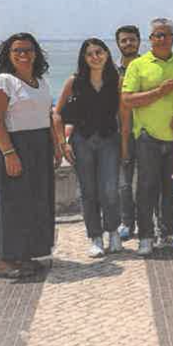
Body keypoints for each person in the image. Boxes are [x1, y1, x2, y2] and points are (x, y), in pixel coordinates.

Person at [121, 18, 173, 255]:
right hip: (147, 137)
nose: (162, 39)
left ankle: (166, 233)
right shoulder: (138, 65)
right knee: (146, 188)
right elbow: (127, 99)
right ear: (151, 39)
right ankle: (145, 236)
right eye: (158, 35)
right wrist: (159, 92)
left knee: (170, 189)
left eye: (166, 35)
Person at [0, 33, 58, 279]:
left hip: (39, 147)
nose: (23, 54)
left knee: (34, 203)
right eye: (17, 50)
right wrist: (9, 153)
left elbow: (47, 116)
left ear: (36, 53)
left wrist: (56, 146)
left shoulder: (40, 82)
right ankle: (5, 262)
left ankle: (24, 255)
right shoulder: (3, 82)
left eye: (28, 50)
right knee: (10, 204)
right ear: (8, 54)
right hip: (11, 146)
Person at [53, 39, 122, 257]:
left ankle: (113, 232)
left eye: (99, 52)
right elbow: (57, 114)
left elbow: (123, 114)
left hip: (109, 140)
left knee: (110, 190)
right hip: (82, 141)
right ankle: (96, 237)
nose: (95, 57)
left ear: (107, 54)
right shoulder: (74, 81)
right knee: (88, 191)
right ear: (84, 58)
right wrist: (63, 144)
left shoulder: (116, 80)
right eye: (90, 54)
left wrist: (126, 143)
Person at [114, 24, 141, 241]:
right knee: (123, 183)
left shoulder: (147, 67)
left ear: (139, 41)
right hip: (119, 132)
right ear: (118, 44)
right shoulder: (111, 72)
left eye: (132, 39)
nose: (128, 43)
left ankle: (148, 222)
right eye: (124, 40)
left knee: (147, 183)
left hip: (146, 132)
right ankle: (126, 223)